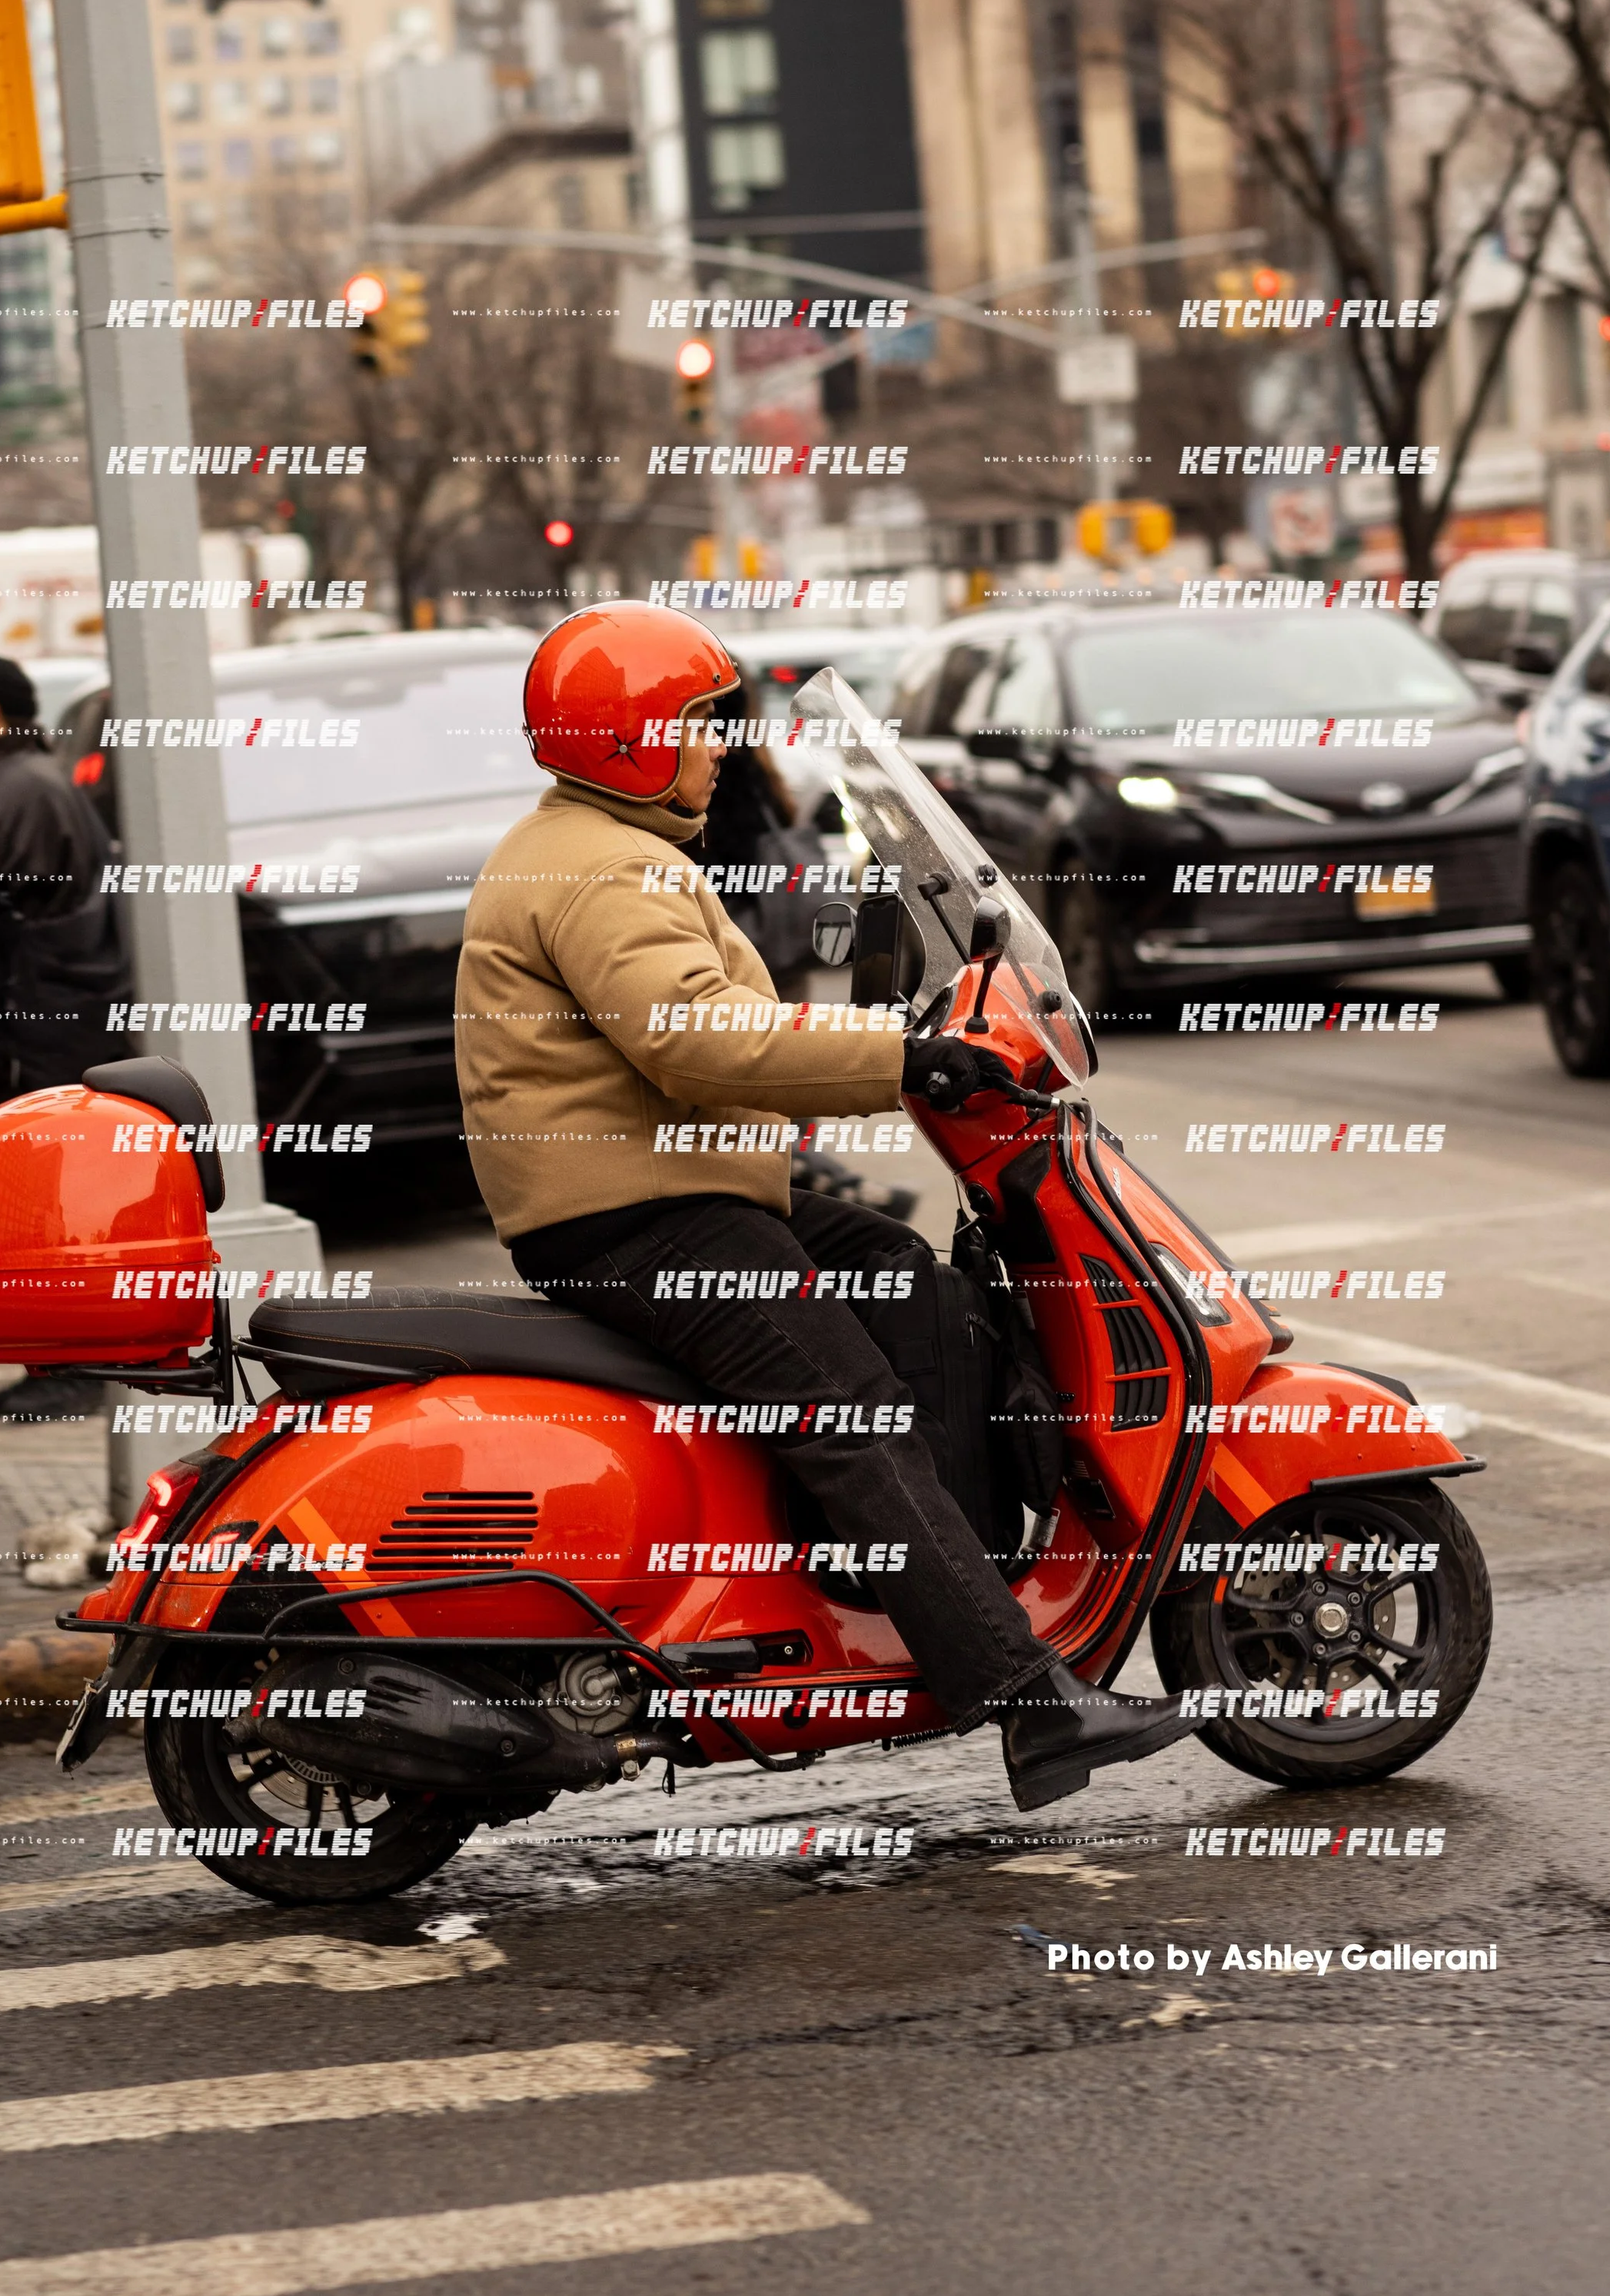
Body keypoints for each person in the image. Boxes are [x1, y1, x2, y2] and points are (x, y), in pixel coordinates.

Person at [455, 600, 1196, 1811]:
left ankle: (907, 1589)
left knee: (903, 1276)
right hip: (639, 1217)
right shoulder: (601, 868)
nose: (720, 750)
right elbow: (705, 1043)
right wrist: (904, 1057)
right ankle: (1025, 1700)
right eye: (697, 727)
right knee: (849, 1411)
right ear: (630, 739)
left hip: (673, 1189)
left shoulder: (603, 844)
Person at [0, 654, 131, 1426]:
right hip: (65, 1010)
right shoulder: (37, 777)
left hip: (42, 1016)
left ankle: (66, 1366)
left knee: (43, 1194)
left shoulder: (9, 790)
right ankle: (63, 1361)